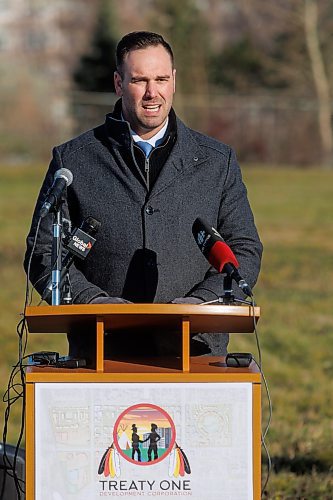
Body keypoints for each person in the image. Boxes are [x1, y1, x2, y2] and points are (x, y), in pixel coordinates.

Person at [24, 31, 263, 361]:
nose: (153, 93)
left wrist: (199, 305)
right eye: (139, 80)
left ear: (174, 81)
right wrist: (94, 303)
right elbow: (42, 253)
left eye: (161, 79)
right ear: (119, 84)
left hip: (195, 355)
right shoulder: (73, 160)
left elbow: (245, 249)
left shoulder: (216, 162)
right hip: (100, 355)